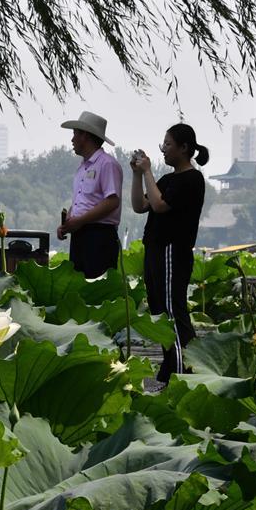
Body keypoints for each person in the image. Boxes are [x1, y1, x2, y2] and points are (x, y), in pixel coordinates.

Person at [130, 123, 209, 384]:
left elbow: (161, 205)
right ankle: (172, 362)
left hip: (171, 251)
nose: (163, 149)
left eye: (168, 144)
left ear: (184, 148)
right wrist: (137, 175)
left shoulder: (191, 179)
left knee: (172, 310)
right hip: (155, 249)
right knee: (158, 309)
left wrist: (149, 171)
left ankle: (183, 368)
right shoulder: (167, 179)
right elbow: (141, 205)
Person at [56, 111, 123, 278]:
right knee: (81, 287)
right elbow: (82, 200)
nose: (72, 140)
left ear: (84, 136)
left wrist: (79, 221)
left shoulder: (107, 164)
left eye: (75, 134)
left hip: (99, 236)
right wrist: (69, 222)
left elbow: (112, 201)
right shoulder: (83, 167)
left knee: (96, 289)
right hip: (81, 235)